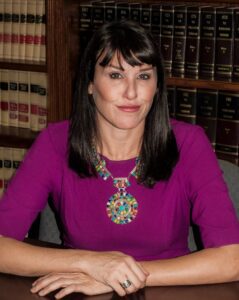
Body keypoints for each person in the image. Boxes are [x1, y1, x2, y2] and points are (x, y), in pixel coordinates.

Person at [0, 20, 239, 299]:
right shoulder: (54, 143)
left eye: (144, 76)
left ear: (157, 86)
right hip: (81, 291)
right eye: (116, 75)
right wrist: (91, 264)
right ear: (90, 83)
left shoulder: (189, 143)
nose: (131, 92)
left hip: (172, 292)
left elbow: (232, 258)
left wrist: (122, 277)